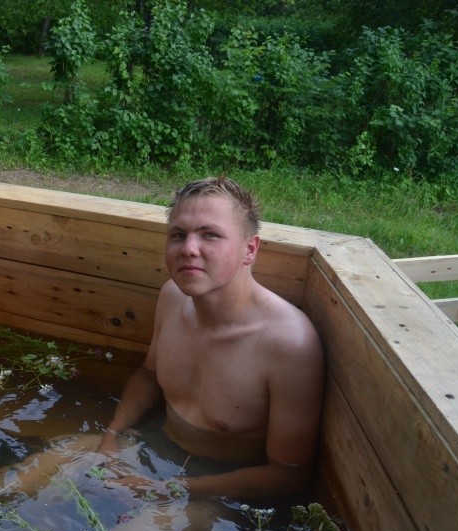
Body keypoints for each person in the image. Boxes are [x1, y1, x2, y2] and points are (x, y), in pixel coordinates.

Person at [96, 175, 325, 501]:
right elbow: (148, 376)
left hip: (221, 488)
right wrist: (112, 436)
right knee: (24, 481)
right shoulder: (172, 296)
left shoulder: (288, 344)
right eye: (178, 235)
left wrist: (171, 490)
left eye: (210, 235)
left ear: (250, 250)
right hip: (156, 444)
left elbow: (287, 475)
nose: (189, 249)